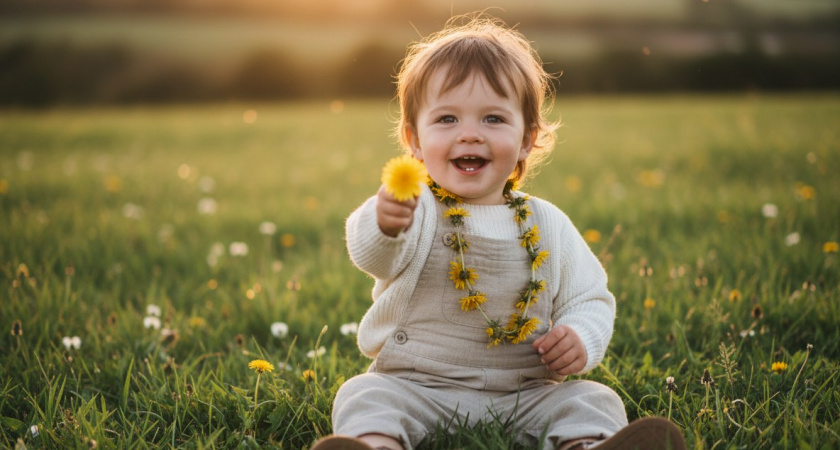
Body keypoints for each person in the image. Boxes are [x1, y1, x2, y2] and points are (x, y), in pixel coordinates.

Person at [313, 14, 686, 450]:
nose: (470, 135)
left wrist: (580, 336)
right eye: (447, 119)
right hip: (417, 386)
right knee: (364, 394)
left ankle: (587, 446)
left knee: (592, 399)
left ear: (527, 139)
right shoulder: (418, 209)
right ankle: (377, 445)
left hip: (526, 393)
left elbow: (590, 297)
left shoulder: (546, 223)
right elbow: (373, 255)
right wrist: (384, 222)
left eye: (492, 119)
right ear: (414, 140)